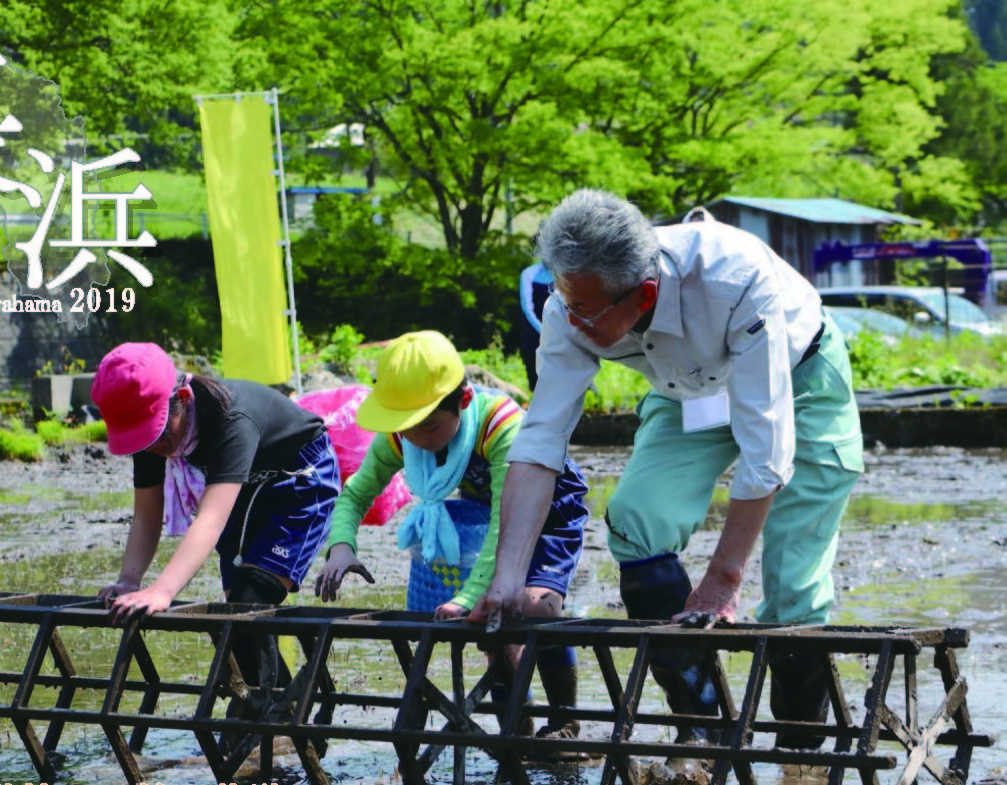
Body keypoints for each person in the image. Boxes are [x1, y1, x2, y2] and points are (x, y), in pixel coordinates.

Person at [468, 189, 864, 748]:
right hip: (690, 396)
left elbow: (766, 448)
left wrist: (722, 582)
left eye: (585, 310)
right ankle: (700, 730)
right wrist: (505, 579)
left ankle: (800, 754)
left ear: (644, 294)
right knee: (635, 518)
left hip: (798, 381)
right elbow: (540, 440)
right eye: (563, 300)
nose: (570, 319)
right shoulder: (571, 305)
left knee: (794, 588)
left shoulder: (734, 277)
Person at [313, 330, 590, 742]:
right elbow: (354, 494)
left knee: (534, 610)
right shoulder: (404, 434)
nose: (416, 440)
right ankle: (519, 732)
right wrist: (340, 548)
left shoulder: (501, 427)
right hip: (485, 517)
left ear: (461, 401)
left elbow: (507, 519)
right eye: (406, 428)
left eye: (428, 427)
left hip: (548, 510)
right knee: (492, 629)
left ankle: (567, 724)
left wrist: (466, 597)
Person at [91, 342, 341, 721]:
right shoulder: (150, 432)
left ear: (183, 398)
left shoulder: (231, 421)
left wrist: (162, 591)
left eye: (160, 435)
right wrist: (130, 580)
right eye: (144, 441)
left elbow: (210, 519)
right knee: (236, 618)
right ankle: (275, 717)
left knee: (250, 597)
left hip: (297, 481)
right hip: (245, 487)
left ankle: (283, 724)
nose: (155, 448)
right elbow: (146, 513)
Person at [517, 261, 554, 391]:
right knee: (537, 386)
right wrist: (543, 330)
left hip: (559, 339)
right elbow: (527, 309)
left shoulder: (563, 273)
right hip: (534, 340)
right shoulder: (528, 274)